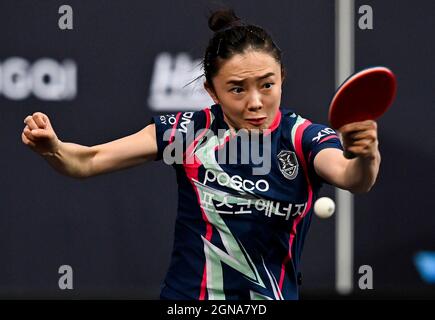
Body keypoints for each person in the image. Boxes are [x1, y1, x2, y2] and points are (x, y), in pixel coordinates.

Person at [21, 9, 380, 300]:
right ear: (211, 90)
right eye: (237, 89)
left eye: (267, 84)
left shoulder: (304, 137)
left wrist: (366, 155)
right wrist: (53, 149)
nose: (256, 102)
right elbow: (88, 160)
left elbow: (352, 179)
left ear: (282, 78)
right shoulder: (187, 132)